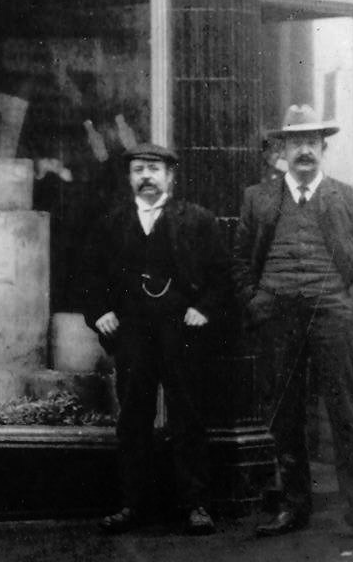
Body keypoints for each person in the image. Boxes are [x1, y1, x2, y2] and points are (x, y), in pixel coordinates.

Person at [234, 105, 353, 546]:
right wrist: (256, 300)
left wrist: (350, 300)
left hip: (332, 316)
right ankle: (294, 506)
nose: (304, 150)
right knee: (285, 415)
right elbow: (240, 259)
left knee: (345, 414)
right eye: (294, 142)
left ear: (323, 148)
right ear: (281, 150)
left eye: (311, 142)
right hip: (277, 317)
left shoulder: (351, 198)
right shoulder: (257, 199)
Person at [79, 143, 230, 535]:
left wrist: (204, 308)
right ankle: (133, 504)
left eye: (154, 169)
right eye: (138, 170)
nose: (146, 177)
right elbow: (89, 275)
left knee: (188, 416)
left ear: (170, 177)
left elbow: (221, 276)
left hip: (181, 332)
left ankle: (196, 504)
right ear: (130, 178)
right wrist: (99, 313)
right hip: (132, 333)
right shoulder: (111, 222)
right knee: (132, 418)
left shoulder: (198, 220)